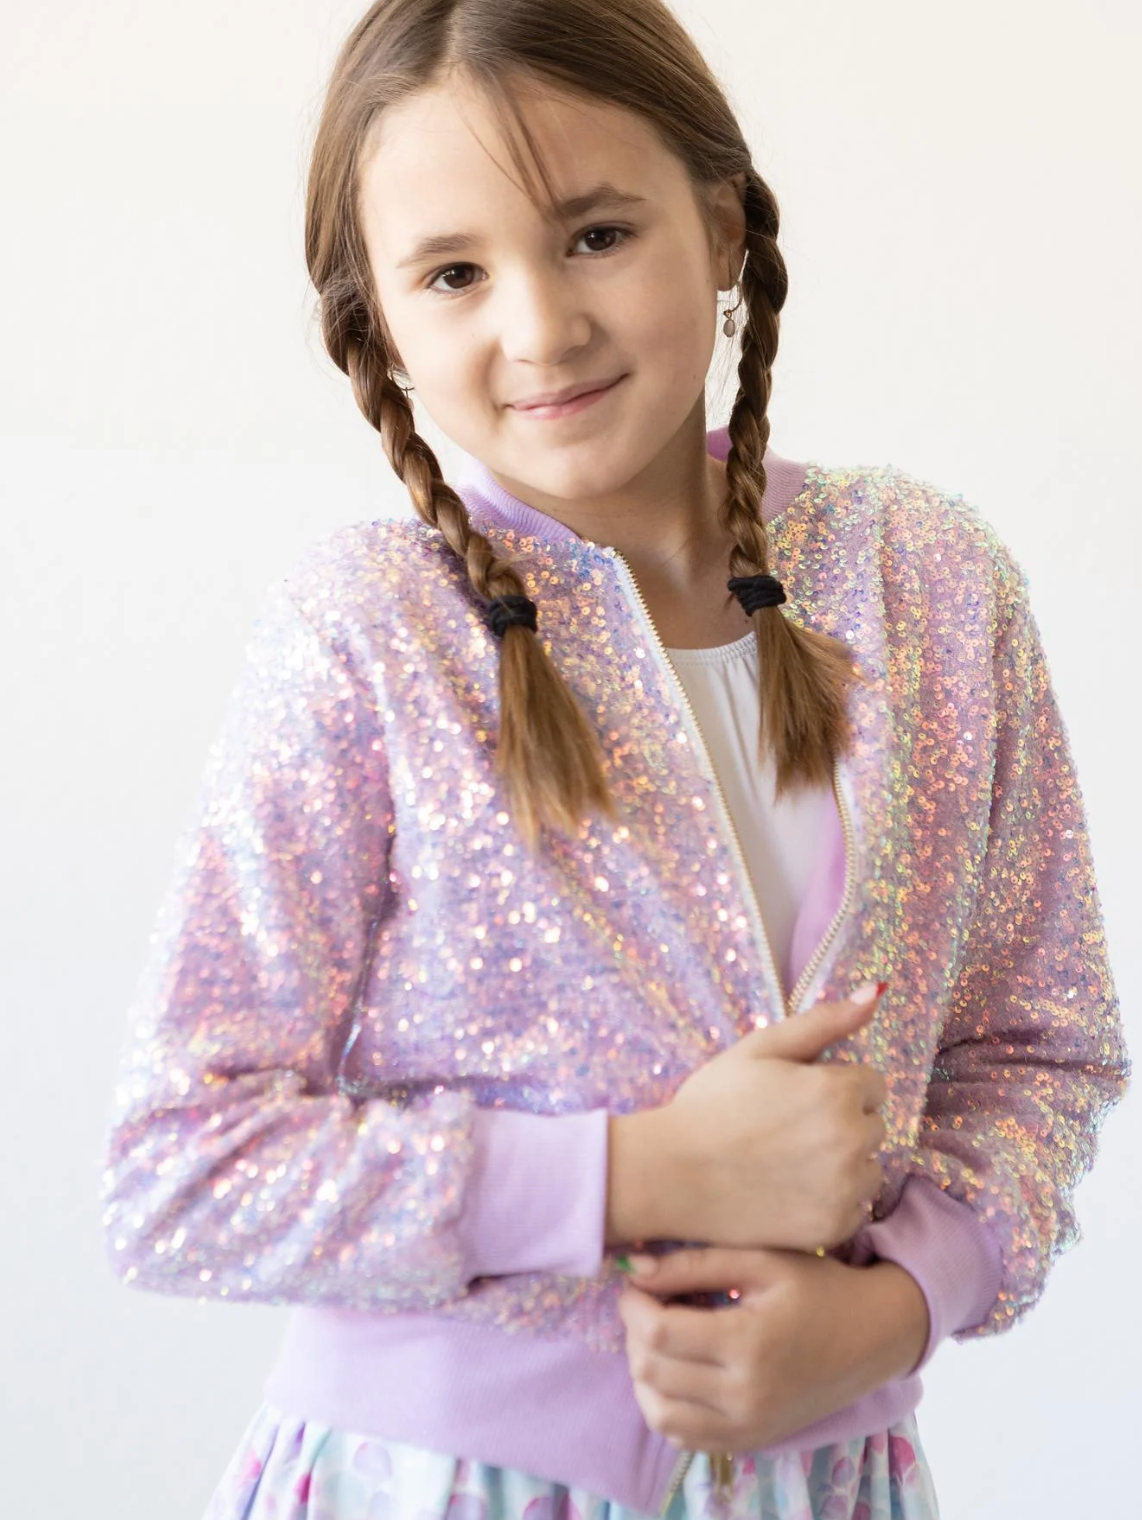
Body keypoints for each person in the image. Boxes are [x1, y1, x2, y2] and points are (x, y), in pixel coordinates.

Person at [98, 2, 1131, 1517]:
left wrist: (895, 1303)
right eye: (454, 272)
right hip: (436, 1485)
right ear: (380, 321)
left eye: (594, 235)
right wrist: (632, 1178)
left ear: (720, 230)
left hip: (830, 1481)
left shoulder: (927, 583)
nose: (538, 327)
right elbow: (178, 1172)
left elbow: (1039, 1049)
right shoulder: (371, 634)